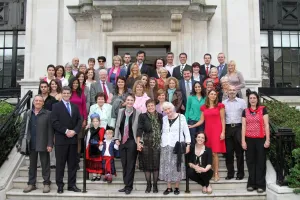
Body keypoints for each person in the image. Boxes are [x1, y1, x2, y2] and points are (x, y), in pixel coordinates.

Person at [189, 90, 226, 182]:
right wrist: (192, 126)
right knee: (209, 153)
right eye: (211, 94)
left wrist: (223, 132)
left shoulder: (220, 106)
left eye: (214, 94)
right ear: (208, 95)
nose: (213, 95)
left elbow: (223, 120)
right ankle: (210, 171)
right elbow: (201, 121)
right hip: (208, 132)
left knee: (215, 153)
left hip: (217, 131)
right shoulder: (204, 107)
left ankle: (216, 173)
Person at [51, 86, 82, 193]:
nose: (66, 95)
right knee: (60, 164)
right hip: (61, 140)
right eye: (64, 93)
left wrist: (74, 131)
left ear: (70, 94)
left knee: (72, 164)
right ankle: (60, 185)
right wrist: (66, 131)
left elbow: (79, 120)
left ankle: (71, 185)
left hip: (73, 140)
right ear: (62, 94)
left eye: (68, 93)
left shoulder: (75, 107)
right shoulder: (56, 106)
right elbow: (54, 122)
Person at [19, 95, 53, 193]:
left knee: (45, 164)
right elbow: (23, 129)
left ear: (43, 103)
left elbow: (50, 130)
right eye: (36, 100)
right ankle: (31, 184)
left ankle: (46, 184)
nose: (38, 102)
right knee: (32, 165)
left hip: (44, 143)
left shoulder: (48, 114)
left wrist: (50, 144)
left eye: (40, 101)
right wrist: (21, 141)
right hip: (31, 143)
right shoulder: (28, 114)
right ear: (33, 102)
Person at [159, 102, 191, 195]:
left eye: (169, 109)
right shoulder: (164, 118)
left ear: (173, 108)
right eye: (165, 110)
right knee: (167, 166)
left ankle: (176, 187)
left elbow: (186, 131)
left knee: (178, 166)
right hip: (165, 145)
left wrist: (188, 144)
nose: (168, 111)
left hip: (177, 146)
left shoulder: (181, 117)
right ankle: (169, 187)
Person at [242, 91, 270, 193]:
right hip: (249, 139)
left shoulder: (263, 109)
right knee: (250, 162)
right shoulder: (245, 111)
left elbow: (266, 125)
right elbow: (244, 126)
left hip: (260, 139)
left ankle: (260, 185)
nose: (252, 100)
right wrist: (243, 141)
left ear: (257, 99)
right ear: (248, 100)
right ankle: (251, 184)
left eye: (254, 98)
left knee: (261, 162)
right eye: (250, 98)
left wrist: (267, 139)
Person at [115, 94, 141, 195]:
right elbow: (117, 126)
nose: (130, 102)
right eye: (128, 100)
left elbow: (139, 129)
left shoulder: (137, 113)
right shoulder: (121, 111)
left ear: (134, 102)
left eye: (131, 100)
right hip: (122, 141)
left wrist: (139, 141)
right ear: (125, 101)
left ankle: (129, 186)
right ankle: (126, 184)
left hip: (132, 141)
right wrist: (116, 138)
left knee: (130, 164)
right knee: (124, 164)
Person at [137, 99, 163, 193]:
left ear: (155, 106)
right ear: (146, 107)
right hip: (146, 142)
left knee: (156, 165)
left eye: (152, 106)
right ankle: (148, 185)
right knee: (147, 166)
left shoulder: (160, 116)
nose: (150, 107)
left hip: (157, 143)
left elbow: (163, 129)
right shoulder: (142, 116)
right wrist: (138, 143)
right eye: (148, 106)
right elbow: (139, 130)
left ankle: (155, 185)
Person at [223, 85, 247, 180]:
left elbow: (246, 116)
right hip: (228, 128)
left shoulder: (242, 102)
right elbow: (222, 117)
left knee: (239, 152)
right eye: (230, 90)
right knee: (228, 152)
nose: (232, 91)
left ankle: (240, 173)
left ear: (236, 92)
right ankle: (230, 173)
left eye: (234, 90)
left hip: (239, 128)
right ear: (227, 91)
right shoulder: (223, 103)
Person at [69, 77, 87, 167]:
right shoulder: (68, 93)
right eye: (74, 83)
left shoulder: (81, 93)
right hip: (69, 119)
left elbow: (84, 107)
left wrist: (84, 119)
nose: (75, 84)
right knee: (70, 139)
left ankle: (77, 160)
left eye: (77, 83)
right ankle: (70, 160)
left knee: (78, 140)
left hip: (79, 119)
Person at [85, 113, 105, 181]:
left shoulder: (102, 129)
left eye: (97, 121)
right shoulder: (90, 130)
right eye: (94, 121)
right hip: (91, 148)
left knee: (98, 163)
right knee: (93, 162)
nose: (95, 123)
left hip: (99, 147)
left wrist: (101, 143)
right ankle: (94, 175)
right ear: (92, 122)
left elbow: (103, 138)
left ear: (99, 122)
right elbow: (87, 139)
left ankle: (99, 175)